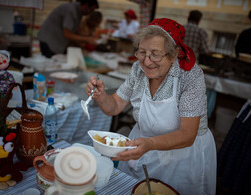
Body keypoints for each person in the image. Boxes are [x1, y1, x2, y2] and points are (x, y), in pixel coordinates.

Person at [85, 18, 216, 195]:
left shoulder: (190, 76)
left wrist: (150, 144)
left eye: (155, 54)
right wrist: (101, 97)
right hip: (144, 144)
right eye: (142, 52)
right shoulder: (138, 70)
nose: (147, 62)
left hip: (182, 155)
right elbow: (115, 106)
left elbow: (187, 134)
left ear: (173, 54)